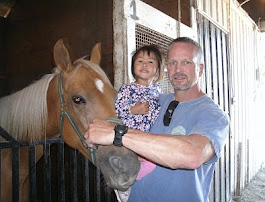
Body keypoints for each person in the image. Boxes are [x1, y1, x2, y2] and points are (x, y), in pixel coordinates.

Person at [84, 37, 229, 202]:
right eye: (173, 63)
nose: (178, 69)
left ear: (200, 69)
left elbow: (193, 155)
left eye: (186, 62)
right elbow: (123, 117)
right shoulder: (154, 100)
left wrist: (118, 134)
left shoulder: (212, 114)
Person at [114, 44, 164, 201]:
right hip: (130, 137)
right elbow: (116, 110)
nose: (144, 64)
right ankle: (125, 185)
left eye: (150, 62)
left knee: (151, 164)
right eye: (140, 61)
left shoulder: (158, 92)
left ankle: (129, 182)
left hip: (148, 139)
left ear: (158, 69)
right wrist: (132, 110)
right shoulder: (127, 89)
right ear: (133, 66)